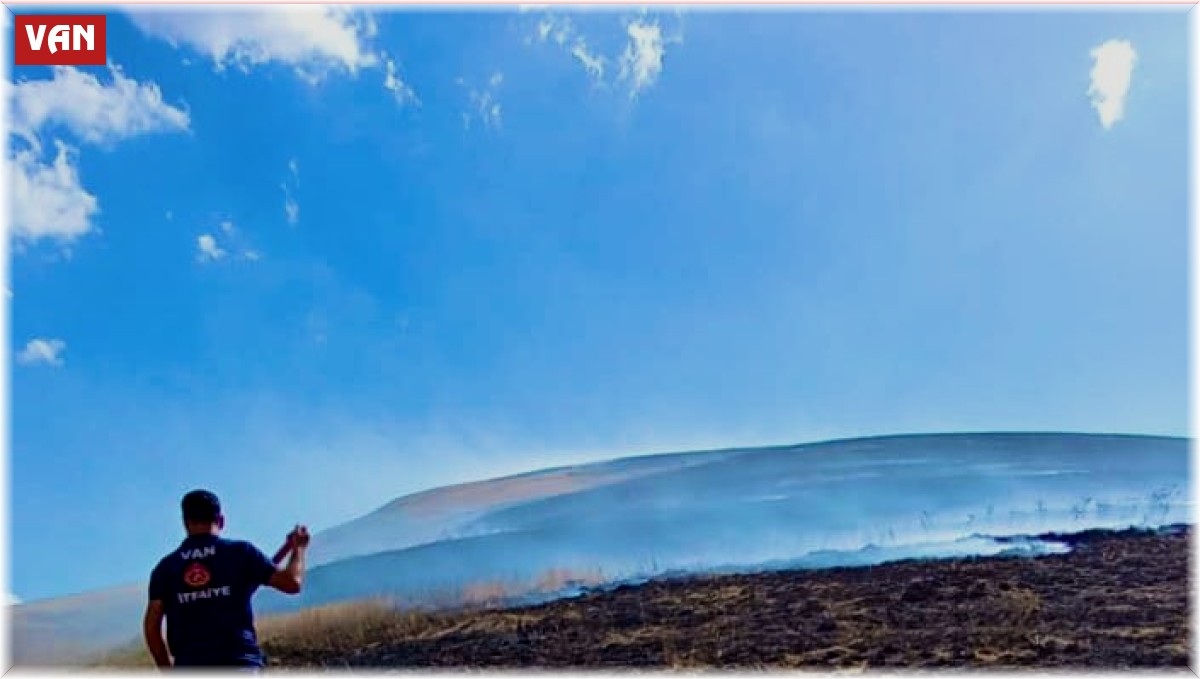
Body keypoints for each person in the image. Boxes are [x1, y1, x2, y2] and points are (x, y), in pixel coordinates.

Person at [143, 489, 310, 669]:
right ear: (221, 520)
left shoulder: (166, 568)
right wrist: (298, 548)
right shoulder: (241, 553)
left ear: (185, 522)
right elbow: (292, 582)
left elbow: (152, 628)